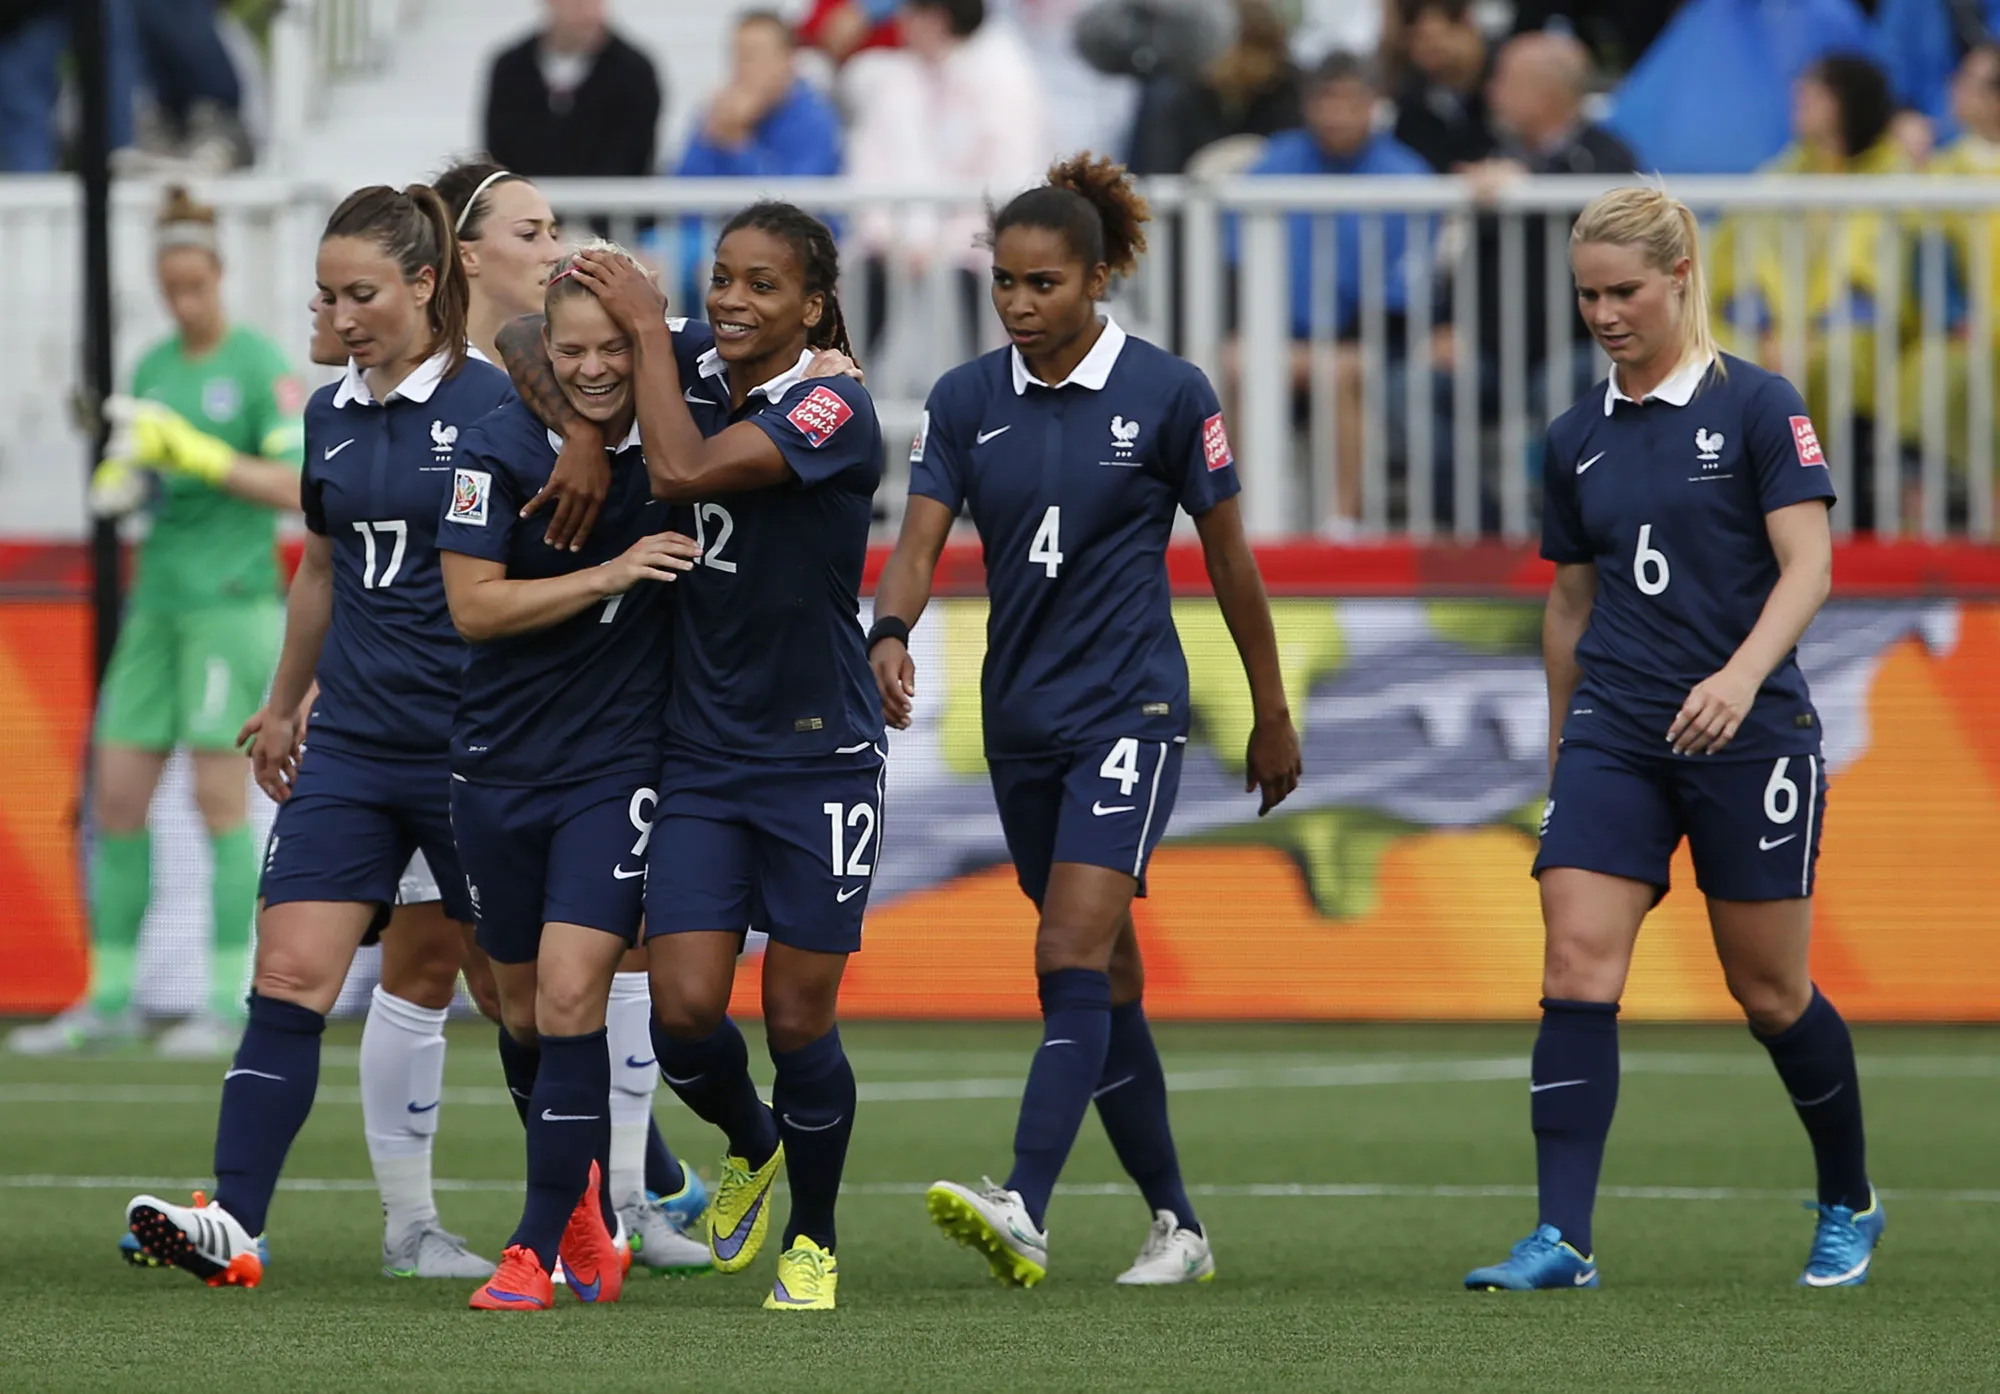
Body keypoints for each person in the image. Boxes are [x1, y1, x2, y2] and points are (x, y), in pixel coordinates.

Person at [870, 153, 1303, 1288]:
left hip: (1131, 707)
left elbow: (1230, 564)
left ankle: (1023, 1198)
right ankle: (1178, 1223)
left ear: (1096, 278)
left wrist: (1269, 708)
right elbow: (917, 536)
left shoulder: (1169, 393)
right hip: (1018, 719)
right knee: (1101, 977)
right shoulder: (965, 399)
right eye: (1003, 283)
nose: (1018, 304)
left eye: (1042, 284)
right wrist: (889, 628)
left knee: (1063, 947)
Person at [1464, 186, 1880, 1292]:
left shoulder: (1755, 406)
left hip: (1748, 735)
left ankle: (1848, 1194)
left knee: (1768, 992)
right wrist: (1562, 749)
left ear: (1679, 276)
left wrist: (1740, 678)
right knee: (1574, 959)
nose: (1602, 313)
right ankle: (1561, 1237)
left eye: (1623, 291)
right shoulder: (1573, 437)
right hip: (1615, 731)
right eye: (1586, 294)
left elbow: (1809, 566)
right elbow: (1567, 607)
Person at [123, 183, 515, 1289]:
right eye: (326, 294)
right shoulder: (329, 414)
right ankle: (234, 1222)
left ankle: (590, 1210)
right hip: (352, 743)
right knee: (289, 970)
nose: (339, 315)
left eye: (362, 294)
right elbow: (326, 568)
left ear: (426, 286)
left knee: (517, 993)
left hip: (475, 747)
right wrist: (288, 700)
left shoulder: (499, 405)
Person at [528, 204, 884, 1313]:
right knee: (682, 1007)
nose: (730, 300)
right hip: (699, 749)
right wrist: (589, 429)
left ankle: (813, 1241)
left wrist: (641, 324)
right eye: (721, 278)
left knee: (795, 1020)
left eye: (762, 284)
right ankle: (752, 1137)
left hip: (819, 752)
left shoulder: (834, 402)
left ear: (813, 305)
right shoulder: (688, 351)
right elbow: (528, 349)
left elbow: (678, 469)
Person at [429, 158, 712, 1278]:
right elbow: (469, 606)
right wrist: (606, 570)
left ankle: (547, 1238)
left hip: (621, 757)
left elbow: (741, 344)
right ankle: (604, 1198)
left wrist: (825, 359)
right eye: (530, 232)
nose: (596, 364)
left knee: (571, 986)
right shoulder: (486, 428)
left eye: (615, 346)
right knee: (511, 1003)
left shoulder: (672, 404)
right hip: (490, 751)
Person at [11, 187, 301, 1063]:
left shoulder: (259, 366)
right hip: (158, 600)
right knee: (117, 796)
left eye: (195, 285)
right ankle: (107, 1000)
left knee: (218, 801)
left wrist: (205, 457)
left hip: (231, 598)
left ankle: (223, 998)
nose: (183, 303)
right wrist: (130, 478)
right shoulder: (151, 368)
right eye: (169, 288)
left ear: (218, 274)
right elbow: (147, 468)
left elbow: (294, 490)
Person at [1230, 51, 1431, 537]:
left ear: (1374, 104)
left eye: (1350, 101)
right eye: (1327, 100)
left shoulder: (1407, 173)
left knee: (1343, 369)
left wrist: (1344, 342)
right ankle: (1235, 518)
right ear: (1308, 105)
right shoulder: (1275, 162)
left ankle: (1342, 522)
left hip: (1371, 337)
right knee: (1234, 361)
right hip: (1278, 332)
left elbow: (1411, 281)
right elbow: (1235, 259)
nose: (1338, 114)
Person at [482, 0, 662, 181]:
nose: (589, 13)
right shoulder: (511, 68)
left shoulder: (634, 71)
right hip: (524, 203)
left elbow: (634, 157)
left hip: (610, 204)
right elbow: (500, 150)